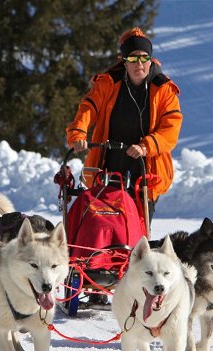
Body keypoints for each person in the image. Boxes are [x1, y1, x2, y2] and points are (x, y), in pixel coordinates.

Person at [66, 27, 183, 225]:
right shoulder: (108, 84)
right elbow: (89, 107)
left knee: (137, 232)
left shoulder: (164, 90)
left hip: (146, 172)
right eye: (133, 58)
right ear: (124, 60)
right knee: (103, 226)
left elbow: (170, 128)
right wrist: (78, 133)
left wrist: (146, 146)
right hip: (109, 166)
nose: (139, 63)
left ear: (150, 60)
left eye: (144, 58)